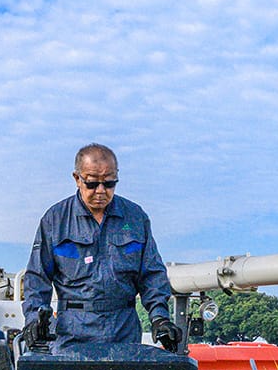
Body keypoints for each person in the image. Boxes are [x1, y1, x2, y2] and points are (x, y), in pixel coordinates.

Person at [22, 143, 181, 352]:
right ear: (77, 179)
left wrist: (160, 318)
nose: (100, 191)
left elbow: (152, 274)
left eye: (109, 184)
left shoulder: (135, 218)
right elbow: (37, 277)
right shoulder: (55, 221)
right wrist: (35, 318)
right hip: (72, 335)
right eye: (92, 183)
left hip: (124, 332)